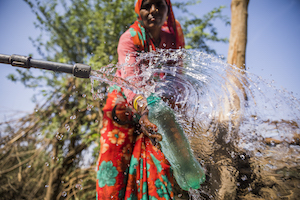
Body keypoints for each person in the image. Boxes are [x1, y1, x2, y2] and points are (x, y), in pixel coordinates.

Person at [96, 0, 185, 199]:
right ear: (139, 10)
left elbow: (177, 77)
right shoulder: (129, 39)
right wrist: (144, 110)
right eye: (147, 5)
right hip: (122, 110)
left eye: (159, 5)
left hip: (154, 105)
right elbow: (130, 80)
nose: (153, 11)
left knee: (159, 162)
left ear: (167, 9)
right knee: (115, 169)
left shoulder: (173, 37)